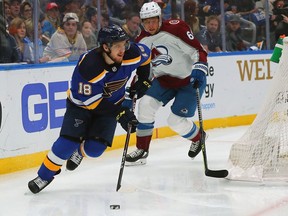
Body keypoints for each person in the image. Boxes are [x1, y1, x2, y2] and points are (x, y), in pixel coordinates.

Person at [27, 24, 151, 194]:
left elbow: (146, 57)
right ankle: (44, 176)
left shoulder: (131, 53)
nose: (123, 50)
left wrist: (144, 79)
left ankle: (80, 151)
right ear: (105, 47)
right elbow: (92, 102)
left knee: (95, 150)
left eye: (125, 44)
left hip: (110, 107)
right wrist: (120, 113)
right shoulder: (89, 66)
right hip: (81, 106)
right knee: (67, 143)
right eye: (117, 46)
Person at [125, 2, 208, 165]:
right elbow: (143, 70)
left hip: (189, 80)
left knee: (175, 121)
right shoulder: (141, 41)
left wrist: (199, 68)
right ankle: (142, 150)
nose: (150, 25)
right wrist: (132, 90)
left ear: (160, 18)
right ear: (142, 22)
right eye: (146, 22)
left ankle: (199, 138)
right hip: (163, 81)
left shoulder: (177, 29)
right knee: (145, 105)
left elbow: (198, 51)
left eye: (153, 20)